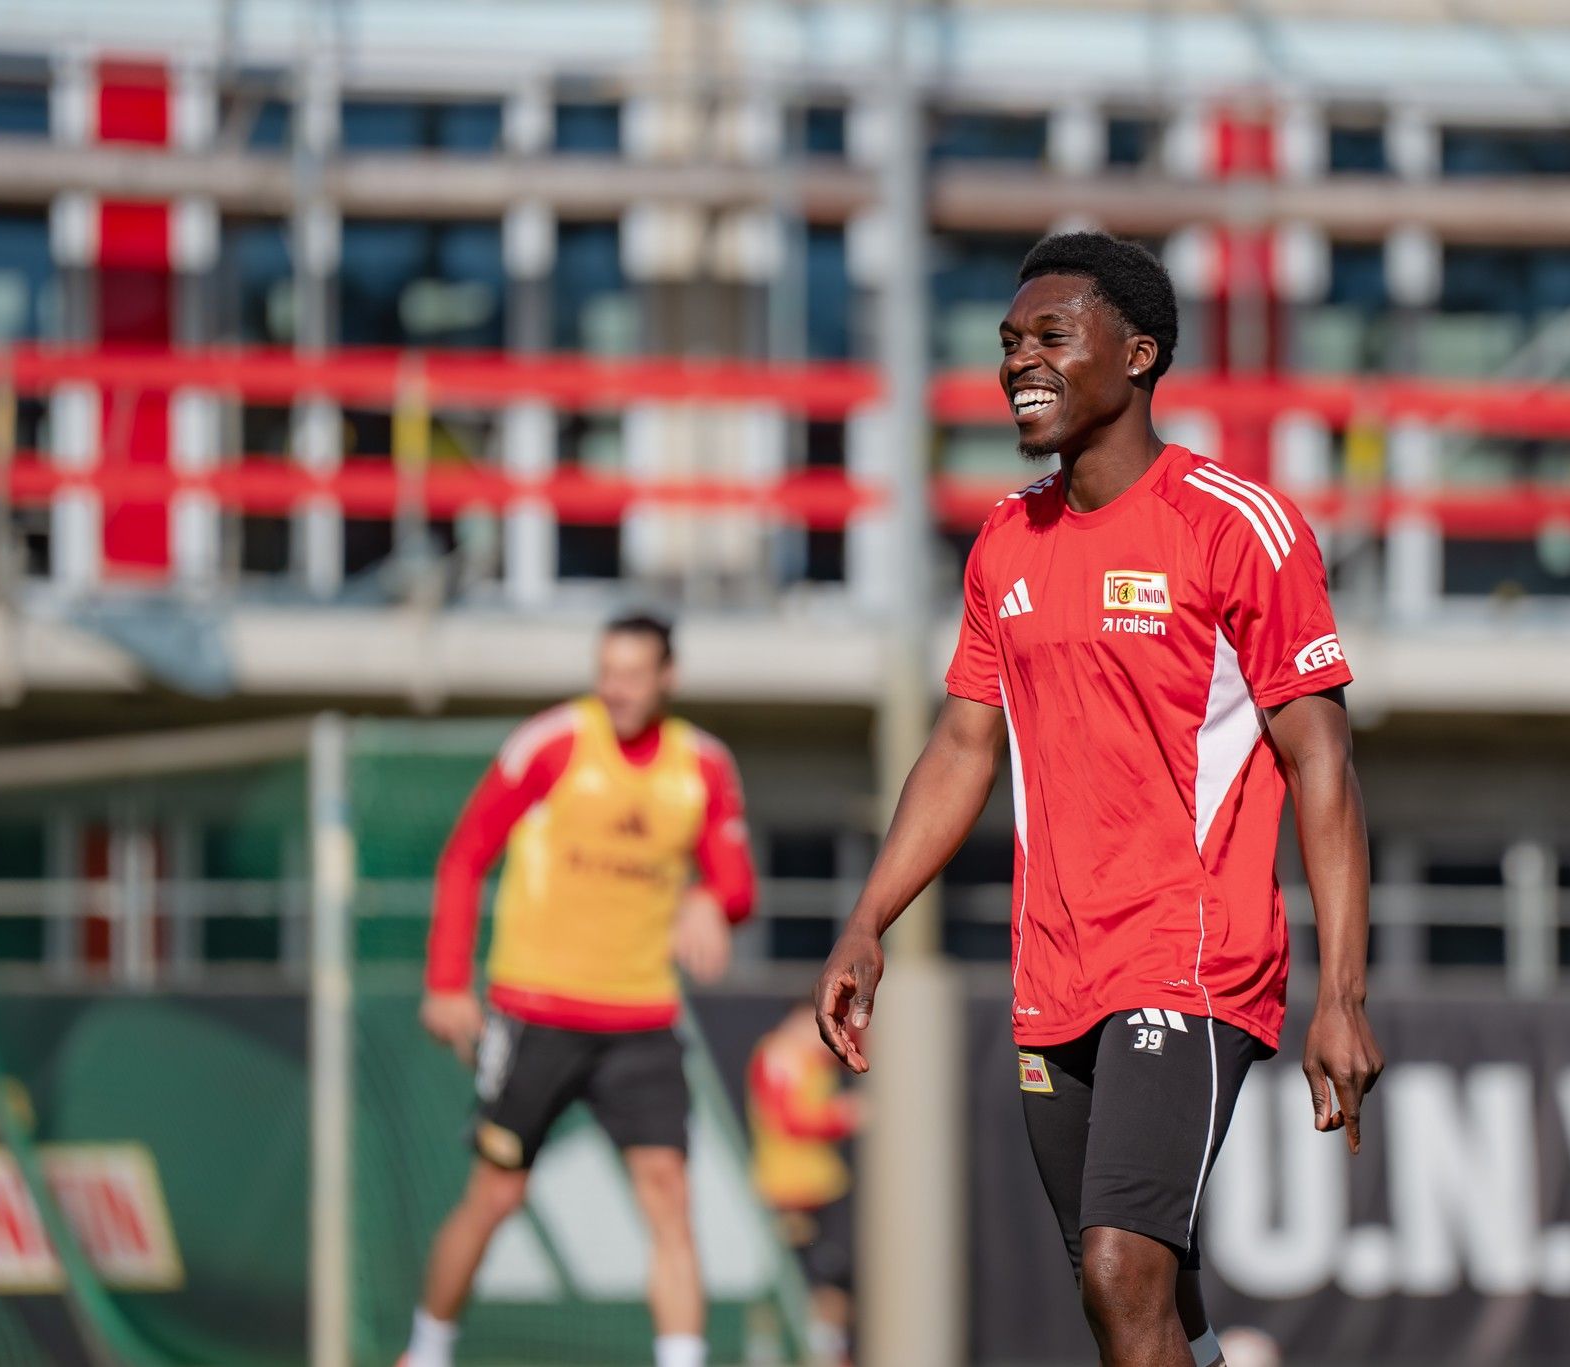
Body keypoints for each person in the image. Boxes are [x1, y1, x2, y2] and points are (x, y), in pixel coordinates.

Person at [812, 231, 1383, 1367]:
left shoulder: (1236, 525)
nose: (1019, 360)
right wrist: (869, 919)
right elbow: (962, 745)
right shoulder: (1001, 544)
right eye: (1009, 343)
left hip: (1194, 953)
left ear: (1139, 354)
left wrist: (1343, 991)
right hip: (1056, 965)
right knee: (1135, 1293)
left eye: (1050, 337)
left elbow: (1322, 761)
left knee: (1125, 1266)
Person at [400, 612, 757, 1367]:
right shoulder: (553, 743)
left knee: (668, 1195)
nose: (616, 689)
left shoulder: (703, 765)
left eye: (633, 674)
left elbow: (736, 883)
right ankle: (426, 1350)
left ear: (668, 678)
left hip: (641, 1017)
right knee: (495, 1195)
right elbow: (465, 854)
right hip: (537, 1009)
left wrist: (709, 901)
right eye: (607, 672)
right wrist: (445, 979)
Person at [748, 1001, 860, 1365]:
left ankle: (829, 1352)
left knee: (834, 1275)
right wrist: (842, 1117)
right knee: (784, 1281)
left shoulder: (817, 1060)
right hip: (787, 1192)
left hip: (826, 1188)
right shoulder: (780, 1055)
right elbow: (791, 1121)